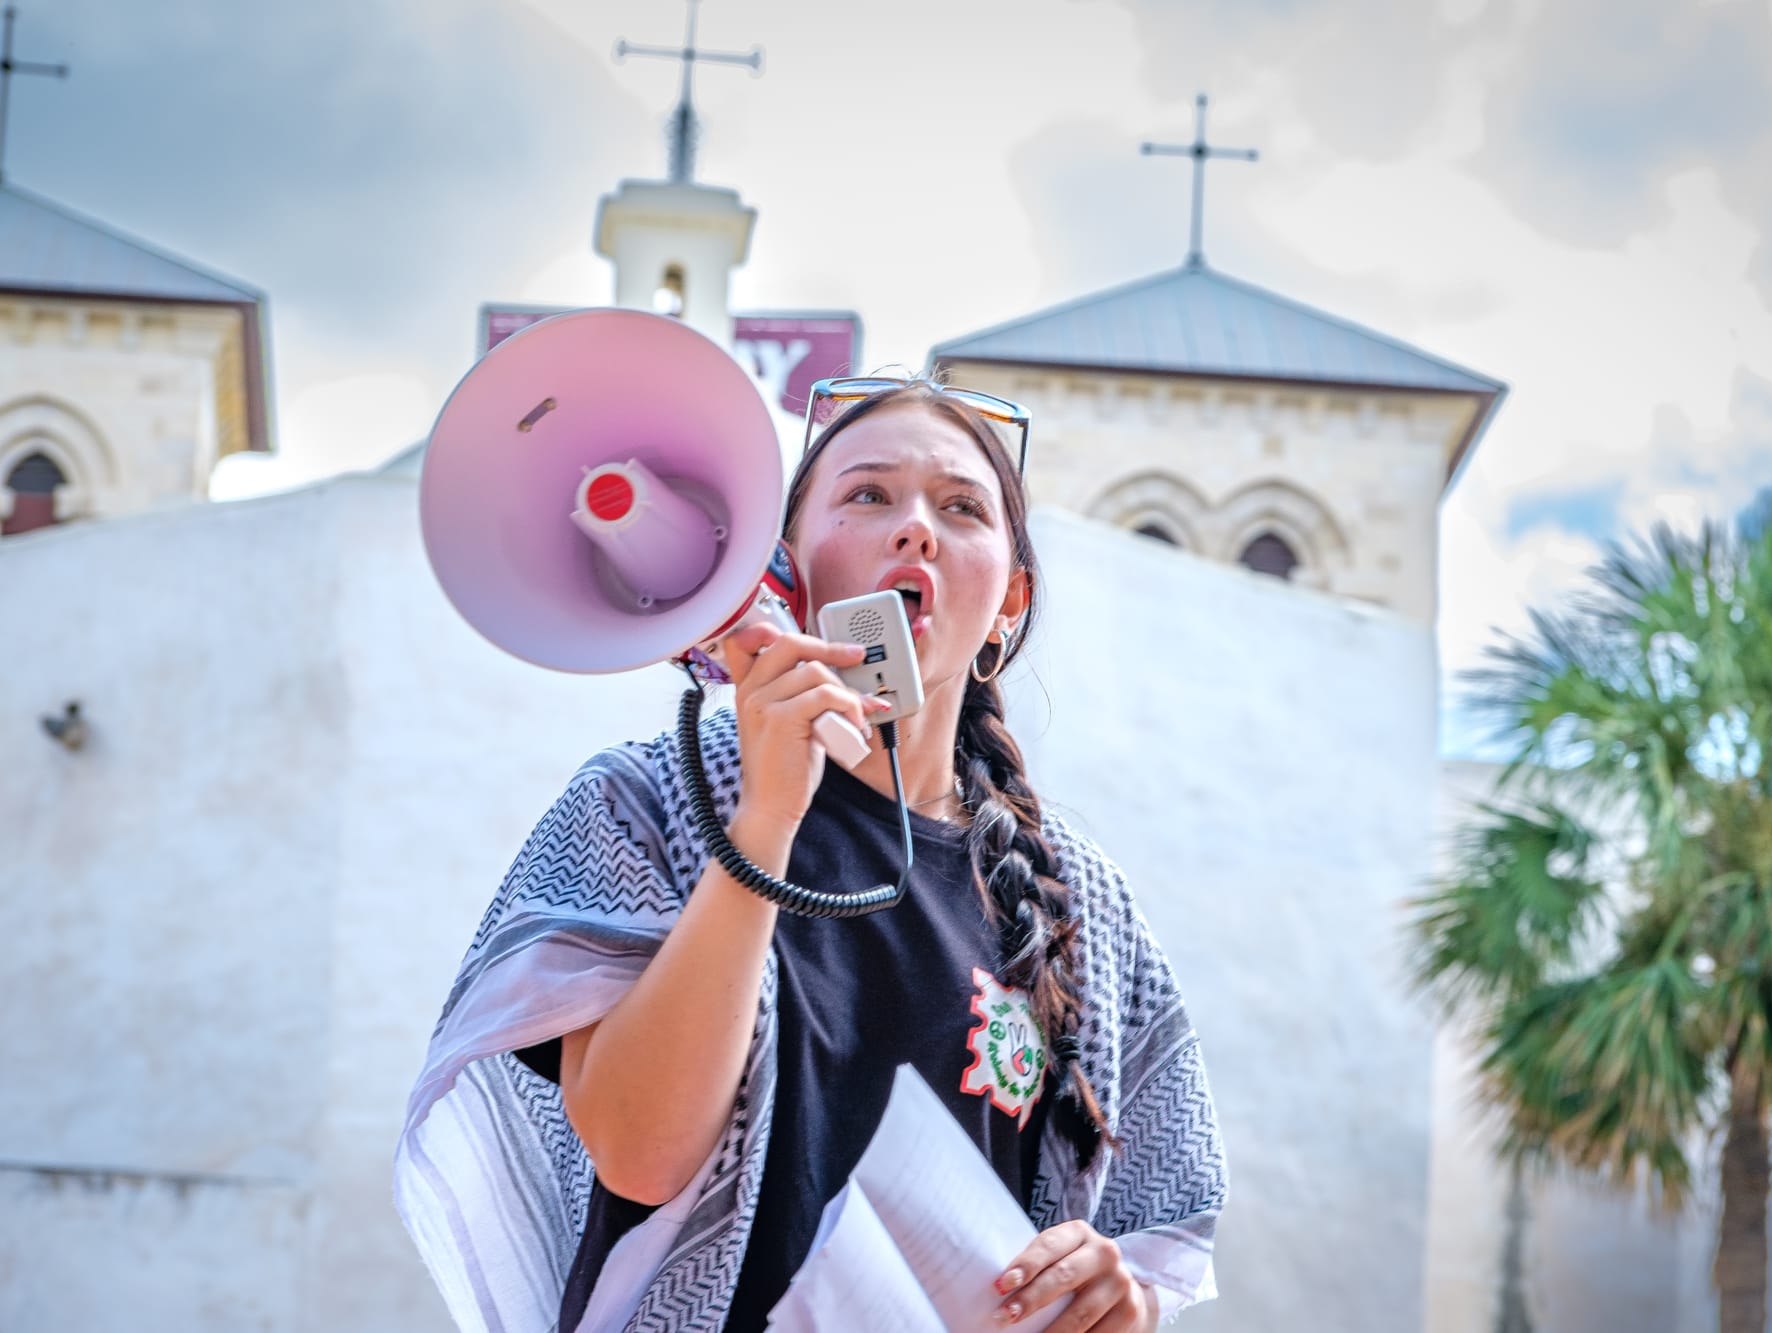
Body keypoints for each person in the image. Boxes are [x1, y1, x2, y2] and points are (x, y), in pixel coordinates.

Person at [394, 380, 1228, 1332]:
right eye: (869, 494)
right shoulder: (645, 801)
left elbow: (1156, 1230)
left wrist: (1120, 1297)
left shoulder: (1081, 897)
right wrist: (765, 818)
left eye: (961, 508)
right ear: (787, 565)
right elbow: (639, 1152)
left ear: (1010, 600)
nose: (914, 529)